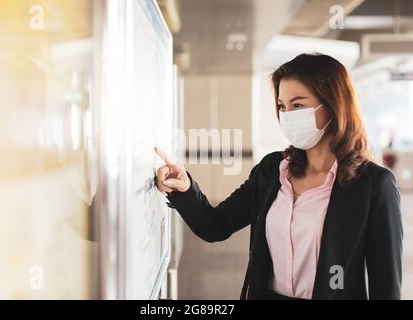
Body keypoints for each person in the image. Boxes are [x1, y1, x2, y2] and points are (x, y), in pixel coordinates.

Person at [155, 53, 403, 300]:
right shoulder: (272, 170)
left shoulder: (373, 185)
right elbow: (215, 225)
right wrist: (185, 189)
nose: (287, 115)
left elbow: (386, 287)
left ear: (333, 105)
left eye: (298, 105)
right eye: (282, 106)